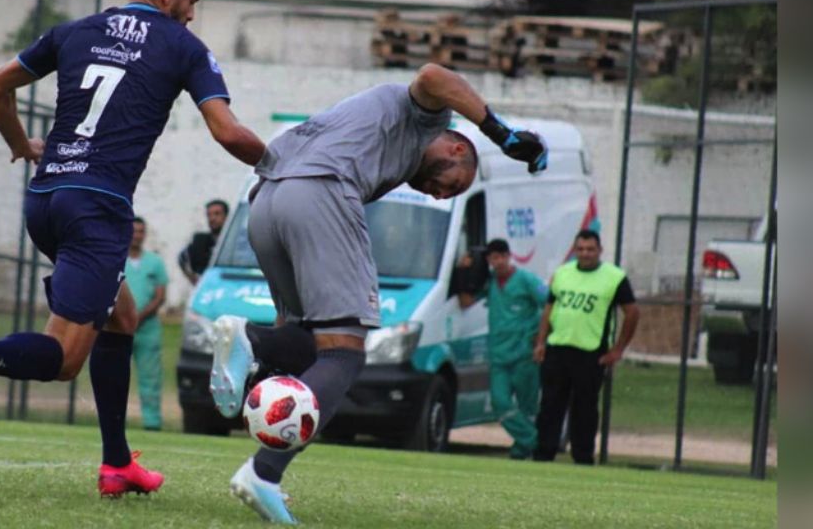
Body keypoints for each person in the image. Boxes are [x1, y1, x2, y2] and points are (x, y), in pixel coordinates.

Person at [0, 0, 266, 497]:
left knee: (120, 318)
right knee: (66, 359)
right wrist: (283, 166)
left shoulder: (73, 31)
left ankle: (117, 463)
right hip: (97, 210)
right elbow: (227, 132)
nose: (192, 11)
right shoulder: (183, 46)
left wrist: (24, 145)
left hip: (45, 200)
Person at [208, 63, 548, 523]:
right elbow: (432, 75)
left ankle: (260, 369)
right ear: (454, 146)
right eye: (454, 183)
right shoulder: (426, 119)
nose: (441, 196)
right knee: (345, 355)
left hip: (267, 200)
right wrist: (501, 133)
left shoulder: (385, 147)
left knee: (309, 345)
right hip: (319, 192)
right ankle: (262, 464)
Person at [532, 229, 640, 465]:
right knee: (550, 405)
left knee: (584, 409)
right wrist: (541, 342)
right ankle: (543, 453)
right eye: (580, 249)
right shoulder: (563, 273)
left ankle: (582, 457)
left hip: (591, 352)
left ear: (599, 250)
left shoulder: (614, 277)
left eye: (590, 249)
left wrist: (618, 350)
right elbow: (549, 308)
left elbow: (631, 312)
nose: (585, 254)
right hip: (558, 348)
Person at [482, 238, 548, 460]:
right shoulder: (489, 282)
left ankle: (521, 452)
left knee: (528, 407)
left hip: (524, 355)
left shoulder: (526, 280)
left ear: (509, 256)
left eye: (501, 257)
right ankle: (535, 441)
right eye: (493, 258)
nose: (498, 262)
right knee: (500, 402)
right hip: (499, 355)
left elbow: (549, 304)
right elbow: (465, 298)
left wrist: (541, 340)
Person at [125, 217, 169, 431]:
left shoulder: (155, 262)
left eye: (141, 231)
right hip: (119, 328)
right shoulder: (116, 259)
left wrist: (139, 317)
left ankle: (152, 423)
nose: (137, 235)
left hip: (147, 329)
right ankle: (113, 421)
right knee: (115, 377)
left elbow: (161, 296)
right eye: (133, 231)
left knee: (150, 379)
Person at [178, 199, 228, 285]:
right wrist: (194, 280)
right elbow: (182, 259)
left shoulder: (235, 241)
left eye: (217, 214)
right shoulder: (201, 242)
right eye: (209, 215)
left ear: (227, 216)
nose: (212, 218)